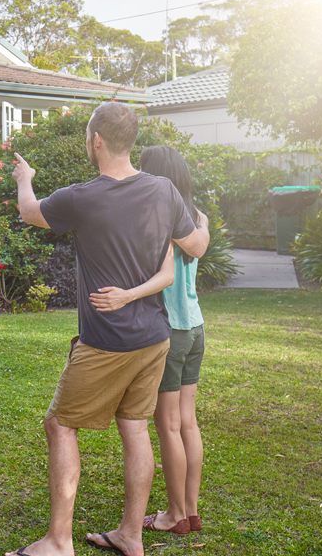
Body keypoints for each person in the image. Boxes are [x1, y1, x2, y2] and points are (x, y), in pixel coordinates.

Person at [5, 102, 209, 556]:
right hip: (156, 337)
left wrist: (25, 180)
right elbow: (195, 244)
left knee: (60, 425)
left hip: (106, 342)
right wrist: (189, 225)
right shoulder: (164, 191)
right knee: (135, 427)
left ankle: (59, 541)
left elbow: (29, 213)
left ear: (97, 140)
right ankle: (130, 535)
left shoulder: (81, 197)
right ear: (130, 140)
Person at [135, 146, 208, 537]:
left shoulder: (157, 218)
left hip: (170, 329)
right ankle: (190, 511)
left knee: (167, 425)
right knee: (188, 423)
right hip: (195, 327)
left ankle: (174, 514)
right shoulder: (197, 217)